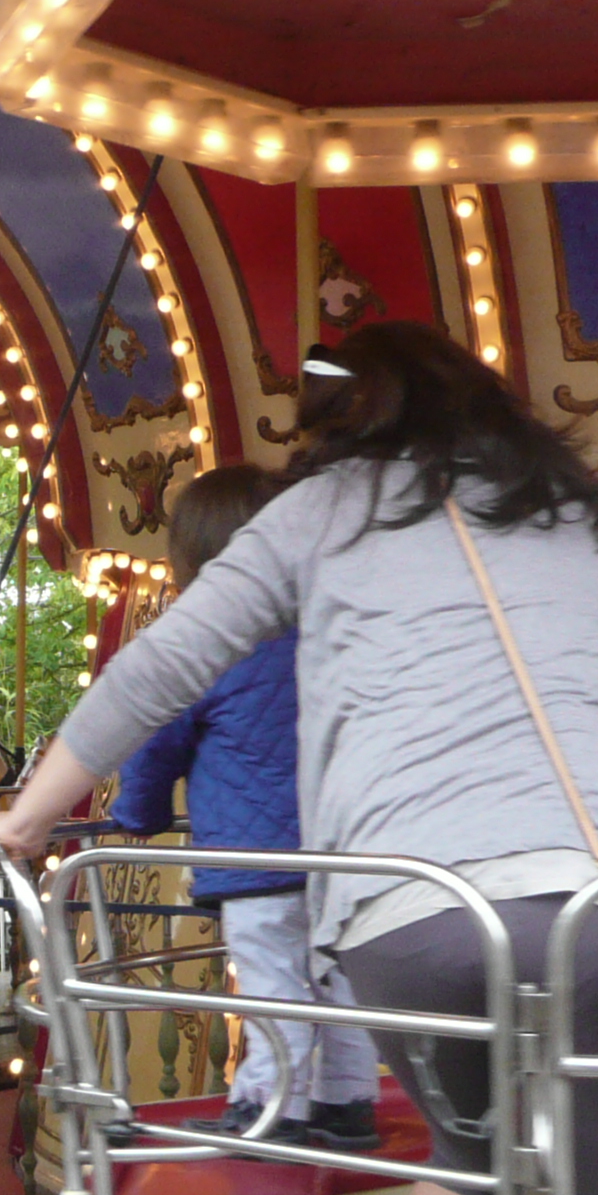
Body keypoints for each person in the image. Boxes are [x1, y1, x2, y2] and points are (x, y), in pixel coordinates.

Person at [0, 320, 598, 1195]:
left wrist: (27, 815)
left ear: (346, 422)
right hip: (594, 905)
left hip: (412, 915)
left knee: (467, 1153)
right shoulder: (591, 521)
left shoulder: (319, 512)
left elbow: (161, 669)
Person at [108, 465, 379, 1149]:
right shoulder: (326, 631)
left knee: (273, 987)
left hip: (256, 861)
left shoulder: (210, 640)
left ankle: (270, 1106)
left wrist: (139, 815)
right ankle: (347, 1100)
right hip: (342, 855)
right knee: (335, 979)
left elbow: (154, 742)